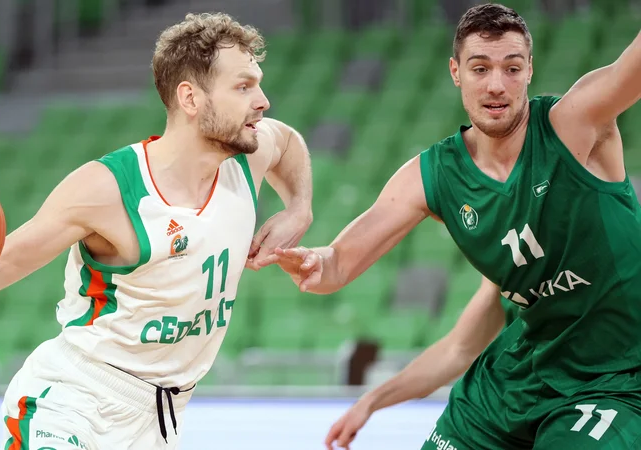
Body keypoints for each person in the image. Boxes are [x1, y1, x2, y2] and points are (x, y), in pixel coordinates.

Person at [0, 12, 314, 450]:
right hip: (74, 401)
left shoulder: (249, 155)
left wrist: (299, 208)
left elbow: (289, 144)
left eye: (257, 83)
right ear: (190, 97)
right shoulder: (107, 188)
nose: (262, 100)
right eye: (243, 86)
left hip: (160, 420)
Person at [260, 3, 641, 449]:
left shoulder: (575, 123)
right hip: (514, 382)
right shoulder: (435, 176)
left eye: (511, 68)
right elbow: (339, 267)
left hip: (614, 378)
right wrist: (314, 264)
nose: (496, 85)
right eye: (480, 68)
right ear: (456, 72)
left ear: (529, 70)